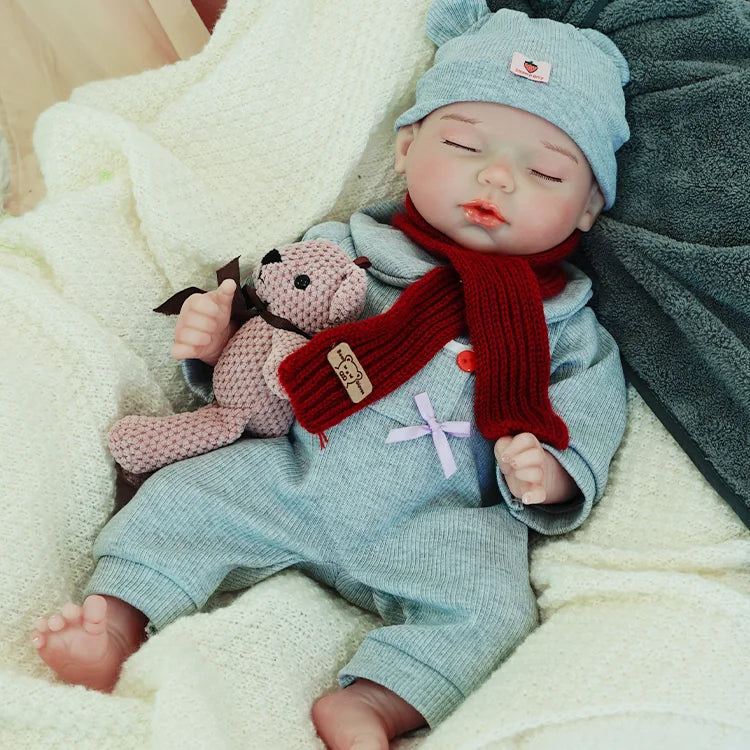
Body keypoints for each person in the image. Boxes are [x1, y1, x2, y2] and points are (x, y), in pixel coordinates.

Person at [30, 1, 630, 747]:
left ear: (587, 210)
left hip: (434, 519)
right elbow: (275, 337)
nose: (497, 177)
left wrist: (554, 469)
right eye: (465, 143)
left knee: (494, 607)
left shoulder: (566, 321)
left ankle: (378, 700)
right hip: (293, 469)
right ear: (407, 146)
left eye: (544, 170)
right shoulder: (351, 249)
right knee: (184, 498)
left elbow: (592, 411)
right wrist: (218, 339)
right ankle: (115, 619)